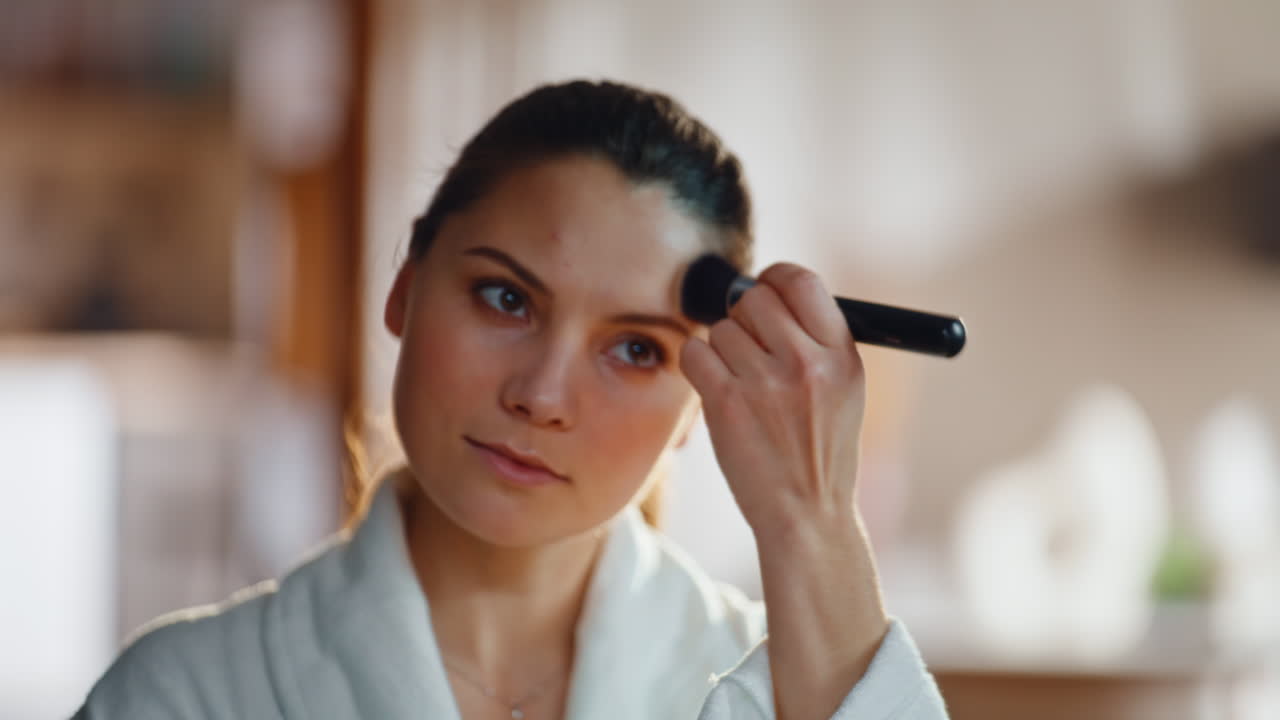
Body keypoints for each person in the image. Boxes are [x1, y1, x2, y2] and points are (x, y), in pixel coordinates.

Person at [75, 79, 949, 719]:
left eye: (637, 348)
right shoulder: (183, 693)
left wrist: (813, 518)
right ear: (406, 287)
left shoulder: (789, 684)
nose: (541, 395)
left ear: (698, 404)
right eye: (506, 298)